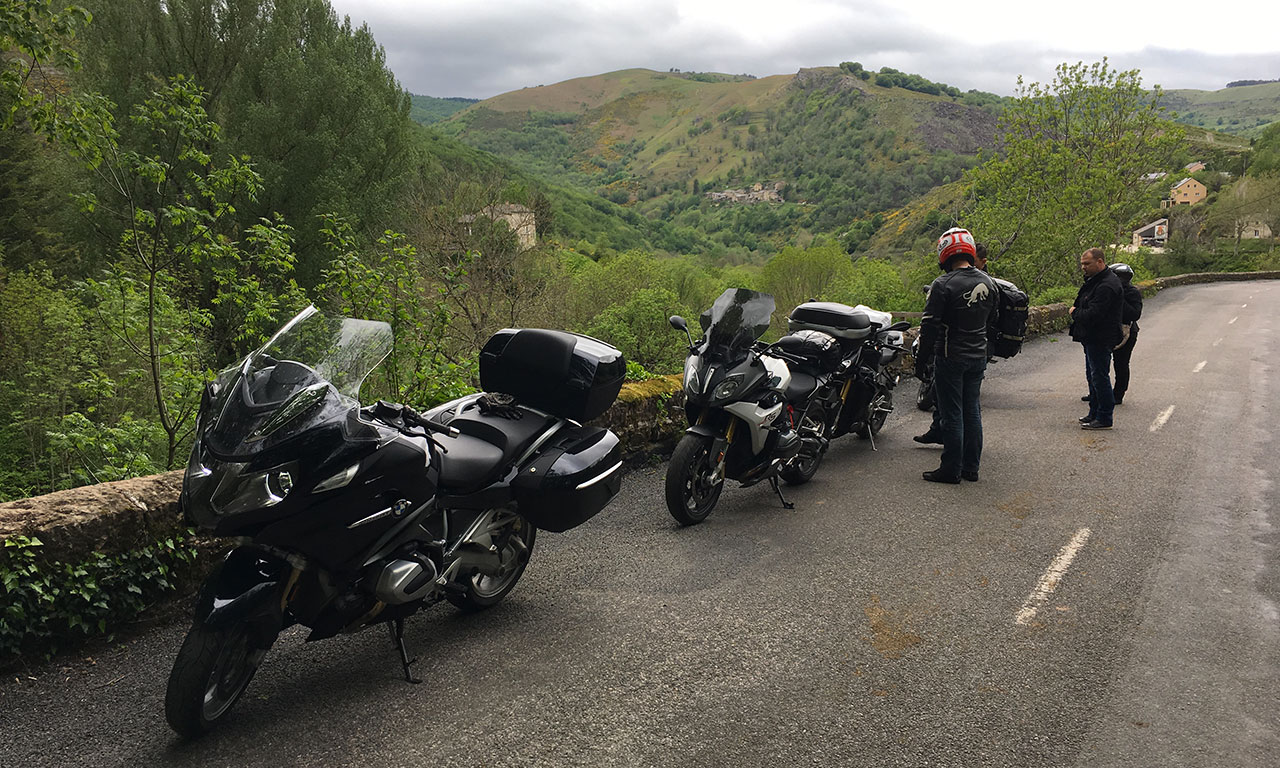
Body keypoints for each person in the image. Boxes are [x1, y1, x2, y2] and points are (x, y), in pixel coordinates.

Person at [915, 228, 998, 483]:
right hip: (978, 355)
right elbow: (993, 320)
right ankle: (971, 468)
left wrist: (921, 362)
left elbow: (929, 327)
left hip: (951, 355)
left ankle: (950, 469)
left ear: (945, 252)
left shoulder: (943, 285)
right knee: (972, 410)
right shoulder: (989, 282)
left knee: (952, 413)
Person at [1070, 248, 1124, 430]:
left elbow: (1094, 314)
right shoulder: (1097, 281)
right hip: (1091, 336)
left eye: (1087, 264)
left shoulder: (1107, 285)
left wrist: (1075, 312)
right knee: (1093, 376)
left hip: (1101, 337)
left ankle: (1104, 417)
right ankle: (1094, 413)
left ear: (1100, 262)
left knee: (1100, 377)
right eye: (1082, 264)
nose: (1083, 267)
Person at [1110, 263, 1142, 404]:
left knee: (1121, 363)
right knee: (1099, 363)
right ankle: (1098, 391)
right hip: (1108, 330)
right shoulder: (1108, 290)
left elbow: (1134, 314)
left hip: (1127, 332)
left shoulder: (1132, 292)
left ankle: (1118, 394)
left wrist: (1119, 298)